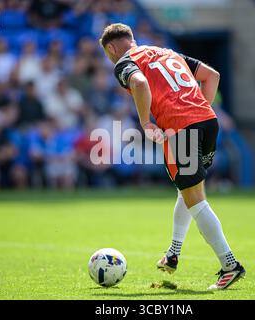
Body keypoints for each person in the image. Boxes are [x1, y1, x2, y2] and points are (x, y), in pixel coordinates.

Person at [99, 23, 245, 290]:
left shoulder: (124, 62)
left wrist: (144, 123)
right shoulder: (168, 52)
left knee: (196, 199)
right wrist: (199, 110)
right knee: (187, 190)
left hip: (181, 128)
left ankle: (230, 265)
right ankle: (173, 253)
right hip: (208, 122)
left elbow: (140, 82)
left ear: (111, 48)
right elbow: (212, 75)